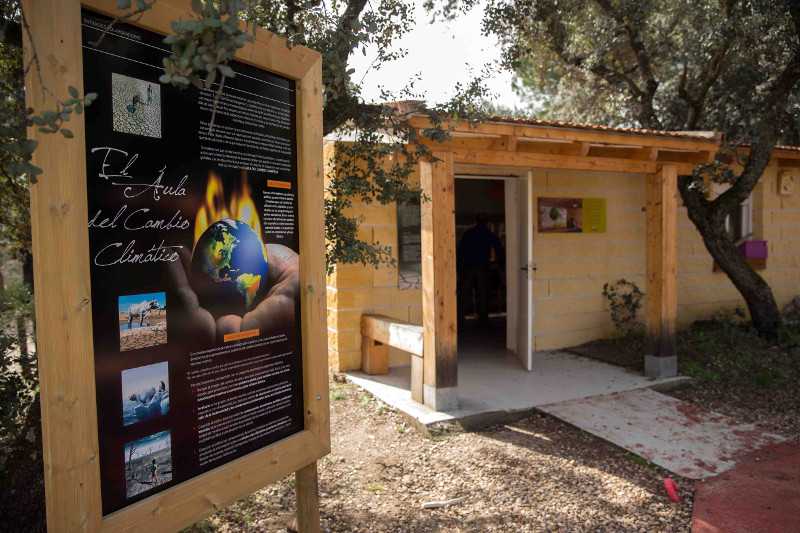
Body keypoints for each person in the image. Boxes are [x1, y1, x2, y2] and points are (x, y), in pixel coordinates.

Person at [457, 212, 505, 329]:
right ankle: (483, 322)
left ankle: (460, 321)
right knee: (482, 296)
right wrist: (502, 264)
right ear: (487, 222)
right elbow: (499, 249)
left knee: (464, 296)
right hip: (483, 268)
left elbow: (460, 250)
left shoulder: (469, 233)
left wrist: (458, 267)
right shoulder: (489, 234)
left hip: (468, 268)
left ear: (476, 221)